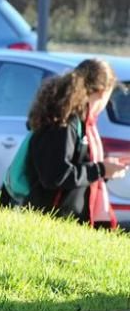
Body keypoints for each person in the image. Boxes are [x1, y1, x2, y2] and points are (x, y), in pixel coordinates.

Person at [26, 58, 129, 227]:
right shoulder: (63, 122)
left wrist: (104, 169)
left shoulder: (82, 122)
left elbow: (79, 171)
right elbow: (55, 176)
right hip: (53, 220)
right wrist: (100, 169)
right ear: (103, 92)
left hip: (72, 220)